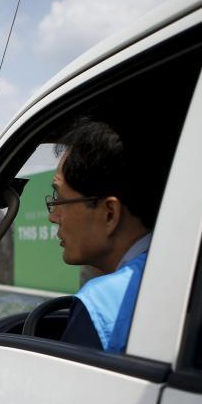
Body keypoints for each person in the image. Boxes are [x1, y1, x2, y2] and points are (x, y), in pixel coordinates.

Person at [47, 117, 164, 353]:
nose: (53, 216)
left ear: (109, 214)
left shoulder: (100, 303)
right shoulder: (194, 270)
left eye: (60, 199)